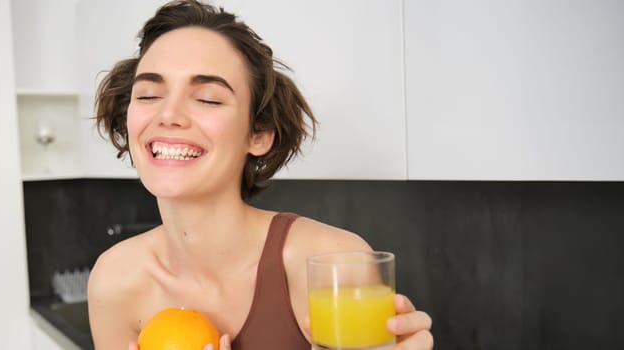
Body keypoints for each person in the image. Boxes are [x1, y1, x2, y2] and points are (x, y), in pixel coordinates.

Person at [87, 1, 433, 349]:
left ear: (259, 134)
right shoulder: (115, 279)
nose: (168, 115)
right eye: (148, 95)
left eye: (208, 99)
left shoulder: (331, 261)